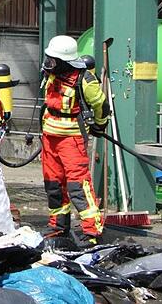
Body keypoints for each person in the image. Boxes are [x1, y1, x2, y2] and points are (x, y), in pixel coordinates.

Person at [40, 35, 108, 245]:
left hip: (72, 139)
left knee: (78, 185)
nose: (48, 63)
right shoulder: (52, 74)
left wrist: (99, 125)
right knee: (53, 184)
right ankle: (58, 226)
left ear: (64, 62)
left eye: (52, 60)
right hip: (49, 137)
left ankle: (92, 230)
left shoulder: (84, 80)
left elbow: (101, 106)